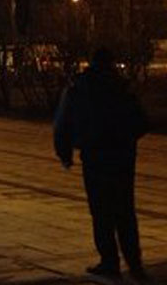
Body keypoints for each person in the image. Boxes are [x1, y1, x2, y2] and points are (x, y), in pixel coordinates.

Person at [54, 47, 150, 283]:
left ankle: (109, 262)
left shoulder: (79, 87)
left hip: (95, 157)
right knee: (125, 211)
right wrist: (126, 139)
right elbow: (142, 122)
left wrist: (65, 153)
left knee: (101, 211)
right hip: (122, 158)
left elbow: (63, 122)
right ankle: (134, 263)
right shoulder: (122, 87)